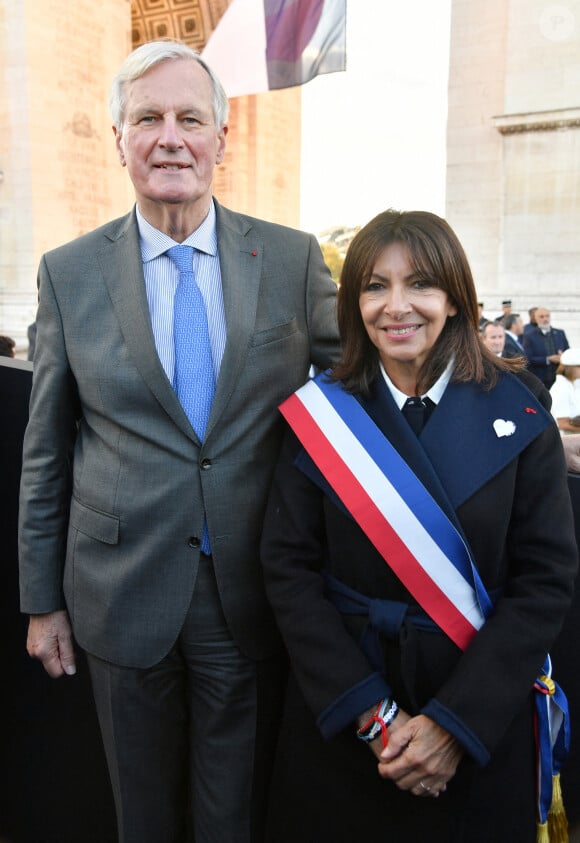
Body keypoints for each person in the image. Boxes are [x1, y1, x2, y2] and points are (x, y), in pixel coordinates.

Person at [18, 40, 339, 843]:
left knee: (233, 817)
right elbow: (46, 450)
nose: (171, 138)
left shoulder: (293, 259)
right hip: (118, 595)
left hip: (250, 591)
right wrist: (41, 600)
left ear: (222, 140)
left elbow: (362, 386)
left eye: (190, 119)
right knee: (143, 816)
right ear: (119, 137)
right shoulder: (68, 273)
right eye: (148, 119)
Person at [260, 209, 577, 843]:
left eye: (420, 285)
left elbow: (544, 581)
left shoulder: (519, 411)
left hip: (477, 717)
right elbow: (288, 570)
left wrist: (453, 727)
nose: (396, 306)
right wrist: (374, 718)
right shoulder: (322, 418)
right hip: (351, 720)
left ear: (456, 299)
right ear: (353, 304)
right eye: (375, 285)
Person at [522, 306, 569, 389]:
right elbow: (527, 359)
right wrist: (548, 359)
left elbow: (568, 351)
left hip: (560, 378)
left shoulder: (559, 333)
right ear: (536, 319)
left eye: (547, 316)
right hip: (540, 380)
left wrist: (563, 356)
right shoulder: (529, 336)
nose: (545, 319)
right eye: (541, 316)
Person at [550, 348, 580, 433]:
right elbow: (562, 424)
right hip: (568, 441)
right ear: (570, 368)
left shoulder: (574, 384)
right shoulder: (561, 389)